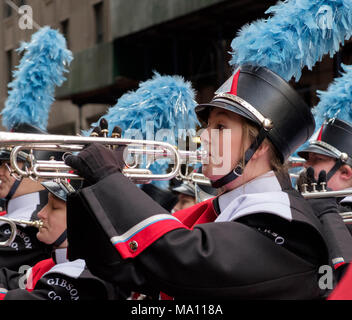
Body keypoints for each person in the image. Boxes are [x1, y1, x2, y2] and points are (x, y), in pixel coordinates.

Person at [64, 65, 329, 300]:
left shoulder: (283, 221)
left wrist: (110, 180)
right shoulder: (226, 209)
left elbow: (186, 259)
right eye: (207, 125)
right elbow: (122, 268)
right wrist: (93, 188)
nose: (204, 136)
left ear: (258, 147)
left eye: (221, 127)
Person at [0, 178, 123, 300]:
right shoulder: (51, 264)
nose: (40, 213)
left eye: (54, 208)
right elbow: (9, 280)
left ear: (83, 220)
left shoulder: (83, 277)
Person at [0, 124, 64, 271]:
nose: (1, 172)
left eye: (10, 164)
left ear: (38, 169)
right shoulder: (14, 214)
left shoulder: (32, 223)